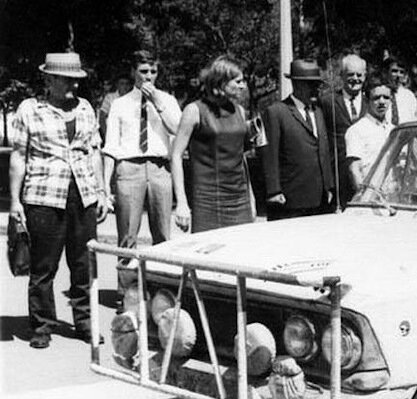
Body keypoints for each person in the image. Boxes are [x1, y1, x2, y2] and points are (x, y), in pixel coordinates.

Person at [8, 52, 109, 349]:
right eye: (67, 80)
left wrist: (101, 192)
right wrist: (14, 201)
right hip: (44, 196)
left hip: (83, 195)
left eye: (76, 80)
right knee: (43, 266)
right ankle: (42, 326)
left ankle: (85, 322)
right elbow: (19, 156)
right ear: (49, 79)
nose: (73, 86)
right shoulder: (30, 109)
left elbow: (94, 152)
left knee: (84, 264)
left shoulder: (85, 108)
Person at [102, 50, 181, 262]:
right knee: (127, 235)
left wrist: (157, 102)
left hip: (159, 168)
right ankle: (126, 281)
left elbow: (177, 130)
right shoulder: (120, 103)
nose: (149, 76)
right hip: (129, 168)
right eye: (144, 71)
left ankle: (159, 279)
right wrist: (105, 186)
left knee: (163, 235)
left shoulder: (168, 100)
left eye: (153, 71)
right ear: (133, 72)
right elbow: (111, 147)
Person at [169, 55, 255, 233]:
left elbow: (241, 158)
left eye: (243, 81)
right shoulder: (194, 110)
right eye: (238, 81)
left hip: (239, 199)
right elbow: (176, 155)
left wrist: (251, 199)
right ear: (221, 82)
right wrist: (182, 203)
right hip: (207, 199)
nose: (243, 86)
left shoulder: (240, 111)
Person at [259, 59, 336, 220]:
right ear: (296, 84)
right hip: (290, 201)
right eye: (311, 84)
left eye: (318, 84)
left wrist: (329, 186)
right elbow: (269, 155)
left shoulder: (318, 112)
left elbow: (324, 150)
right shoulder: (276, 112)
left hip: (321, 200)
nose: (316, 89)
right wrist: (274, 191)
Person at [319, 54, 368, 210]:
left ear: (365, 76)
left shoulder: (371, 103)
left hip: (365, 173)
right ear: (342, 75)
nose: (355, 79)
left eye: (359, 75)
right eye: (350, 74)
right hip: (337, 176)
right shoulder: (327, 101)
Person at [345, 75, 394, 191]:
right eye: (376, 98)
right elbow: (354, 170)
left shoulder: (393, 130)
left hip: (393, 196)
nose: (382, 102)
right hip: (371, 196)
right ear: (367, 100)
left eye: (386, 97)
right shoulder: (356, 130)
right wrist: (364, 197)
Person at [383, 56, 417, 125]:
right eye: (394, 71)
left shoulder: (409, 96)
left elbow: (416, 117)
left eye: (401, 72)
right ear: (386, 72)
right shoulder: (379, 93)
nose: (398, 75)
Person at [98, 73, 132, 139]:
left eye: (127, 84)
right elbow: (102, 118)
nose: (125, 87)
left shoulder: (132, 99)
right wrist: (107, 136)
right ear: (117, 85)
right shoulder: (110, 98)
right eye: (122, 84)